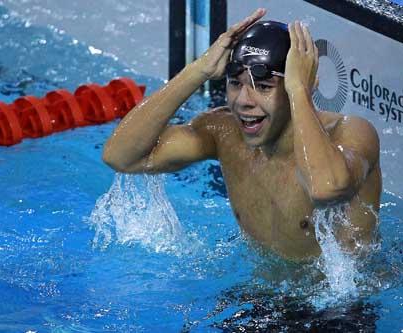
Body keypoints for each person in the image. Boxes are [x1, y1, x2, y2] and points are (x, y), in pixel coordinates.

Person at [102, 8, 382, 260]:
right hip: (260, 295)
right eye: (236, 84)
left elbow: (326, 189)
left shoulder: (351, 132)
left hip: (340, 309)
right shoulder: (224, 132)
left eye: (263, 87)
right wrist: (198, 70)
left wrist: (299, 91)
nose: (243, 101)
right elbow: (121, 157)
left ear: (303, 85)